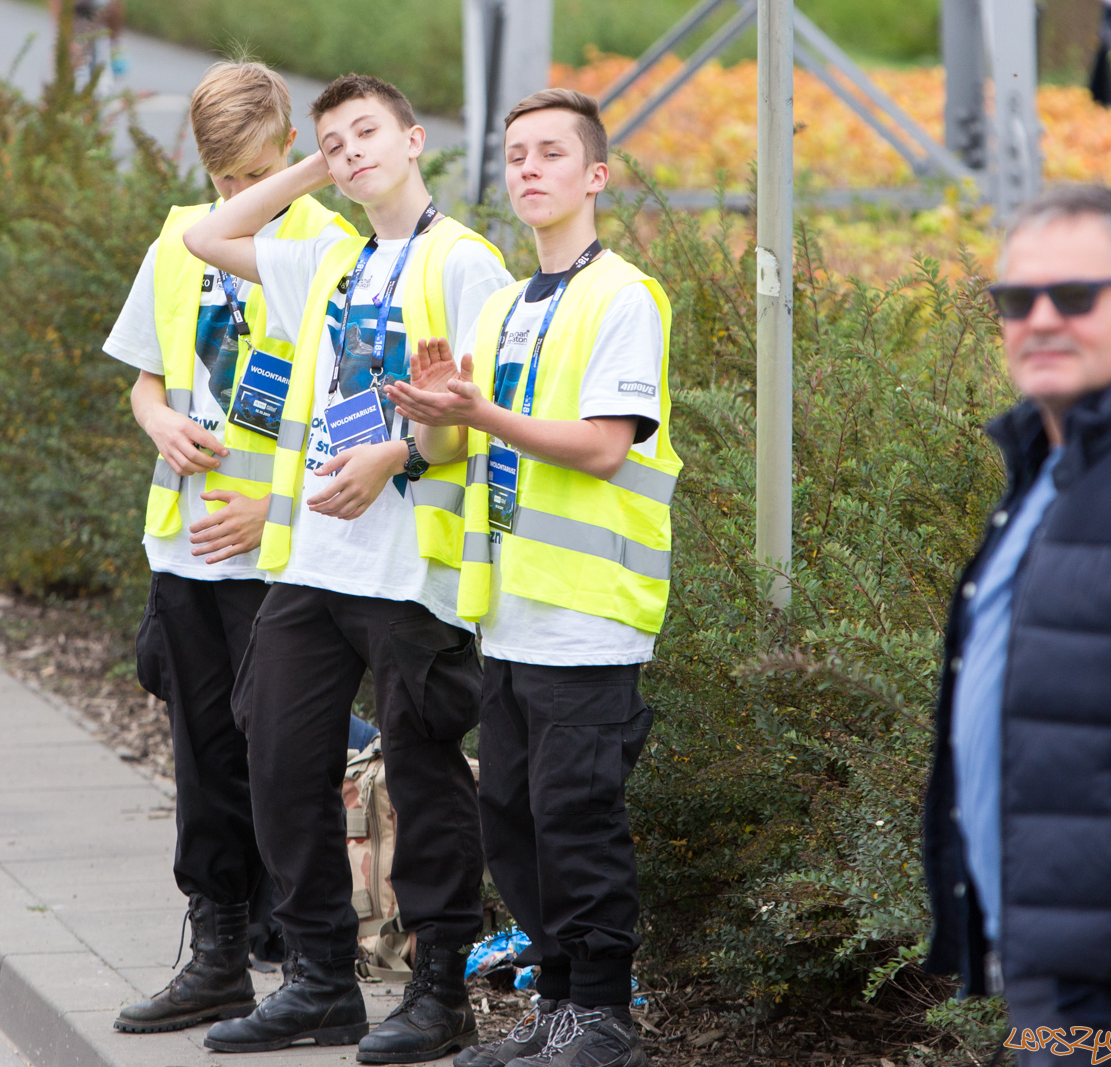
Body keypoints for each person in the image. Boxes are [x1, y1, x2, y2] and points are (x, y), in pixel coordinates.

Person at [183, 73, 513, 1061]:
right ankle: (321, 981)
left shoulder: (464, 263)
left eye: (367, 132)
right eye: (333, 141)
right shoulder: (327, 259)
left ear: (415, 141)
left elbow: (482, 423)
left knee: (423, 776)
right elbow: (209, 235)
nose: (351, 151)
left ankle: (438, 988)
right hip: (317, 562)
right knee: (278, 758)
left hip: (412, 571)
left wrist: (395, 455)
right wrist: (304, 165)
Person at [388, 88, 679, 1067]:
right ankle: (557, 1007)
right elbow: (451, 443)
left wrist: (480, 414)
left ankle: (601, 1016)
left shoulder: (621, 297)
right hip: (509, 618)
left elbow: (601, 448)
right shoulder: (509, 306)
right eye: (515, 154)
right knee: (514, 824)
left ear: (594, 176)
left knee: (577, 822)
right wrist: (432, 411)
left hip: (590, 619)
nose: (528, 168)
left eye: (551, 152)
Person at [923, 183, 1111, 1065]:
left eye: (1076, 296)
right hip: (1056, 961)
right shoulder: (1048, 473)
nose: (1041, 318)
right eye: (1017, 299)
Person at [99, 59, 353, 1036]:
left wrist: (271, 509)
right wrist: (157, 420)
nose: (234, 197)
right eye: (221, 181)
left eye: (251, 175)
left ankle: (300, 954)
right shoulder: (177, 237)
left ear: (288, 147)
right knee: (204, 761)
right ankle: (214, 955)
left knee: (284, 758)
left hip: (278, 555)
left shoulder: (328, 247)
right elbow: (146, 377)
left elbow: (351, 426)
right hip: (184, 547)